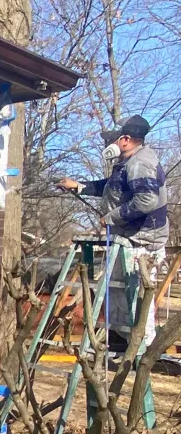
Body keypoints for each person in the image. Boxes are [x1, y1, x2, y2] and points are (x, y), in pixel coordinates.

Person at [57, 114, 168, 345]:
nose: (108, 143)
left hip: (142, 242)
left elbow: (146, 200)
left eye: (113, 138)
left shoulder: (140, 164)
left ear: (125, 140)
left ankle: (142, 349)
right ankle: (120, 340)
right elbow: (111, 188)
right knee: (117, 293)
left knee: (136, 299)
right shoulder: (128, 163)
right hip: (128, 239)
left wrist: (111, 217)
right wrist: (79, 186)